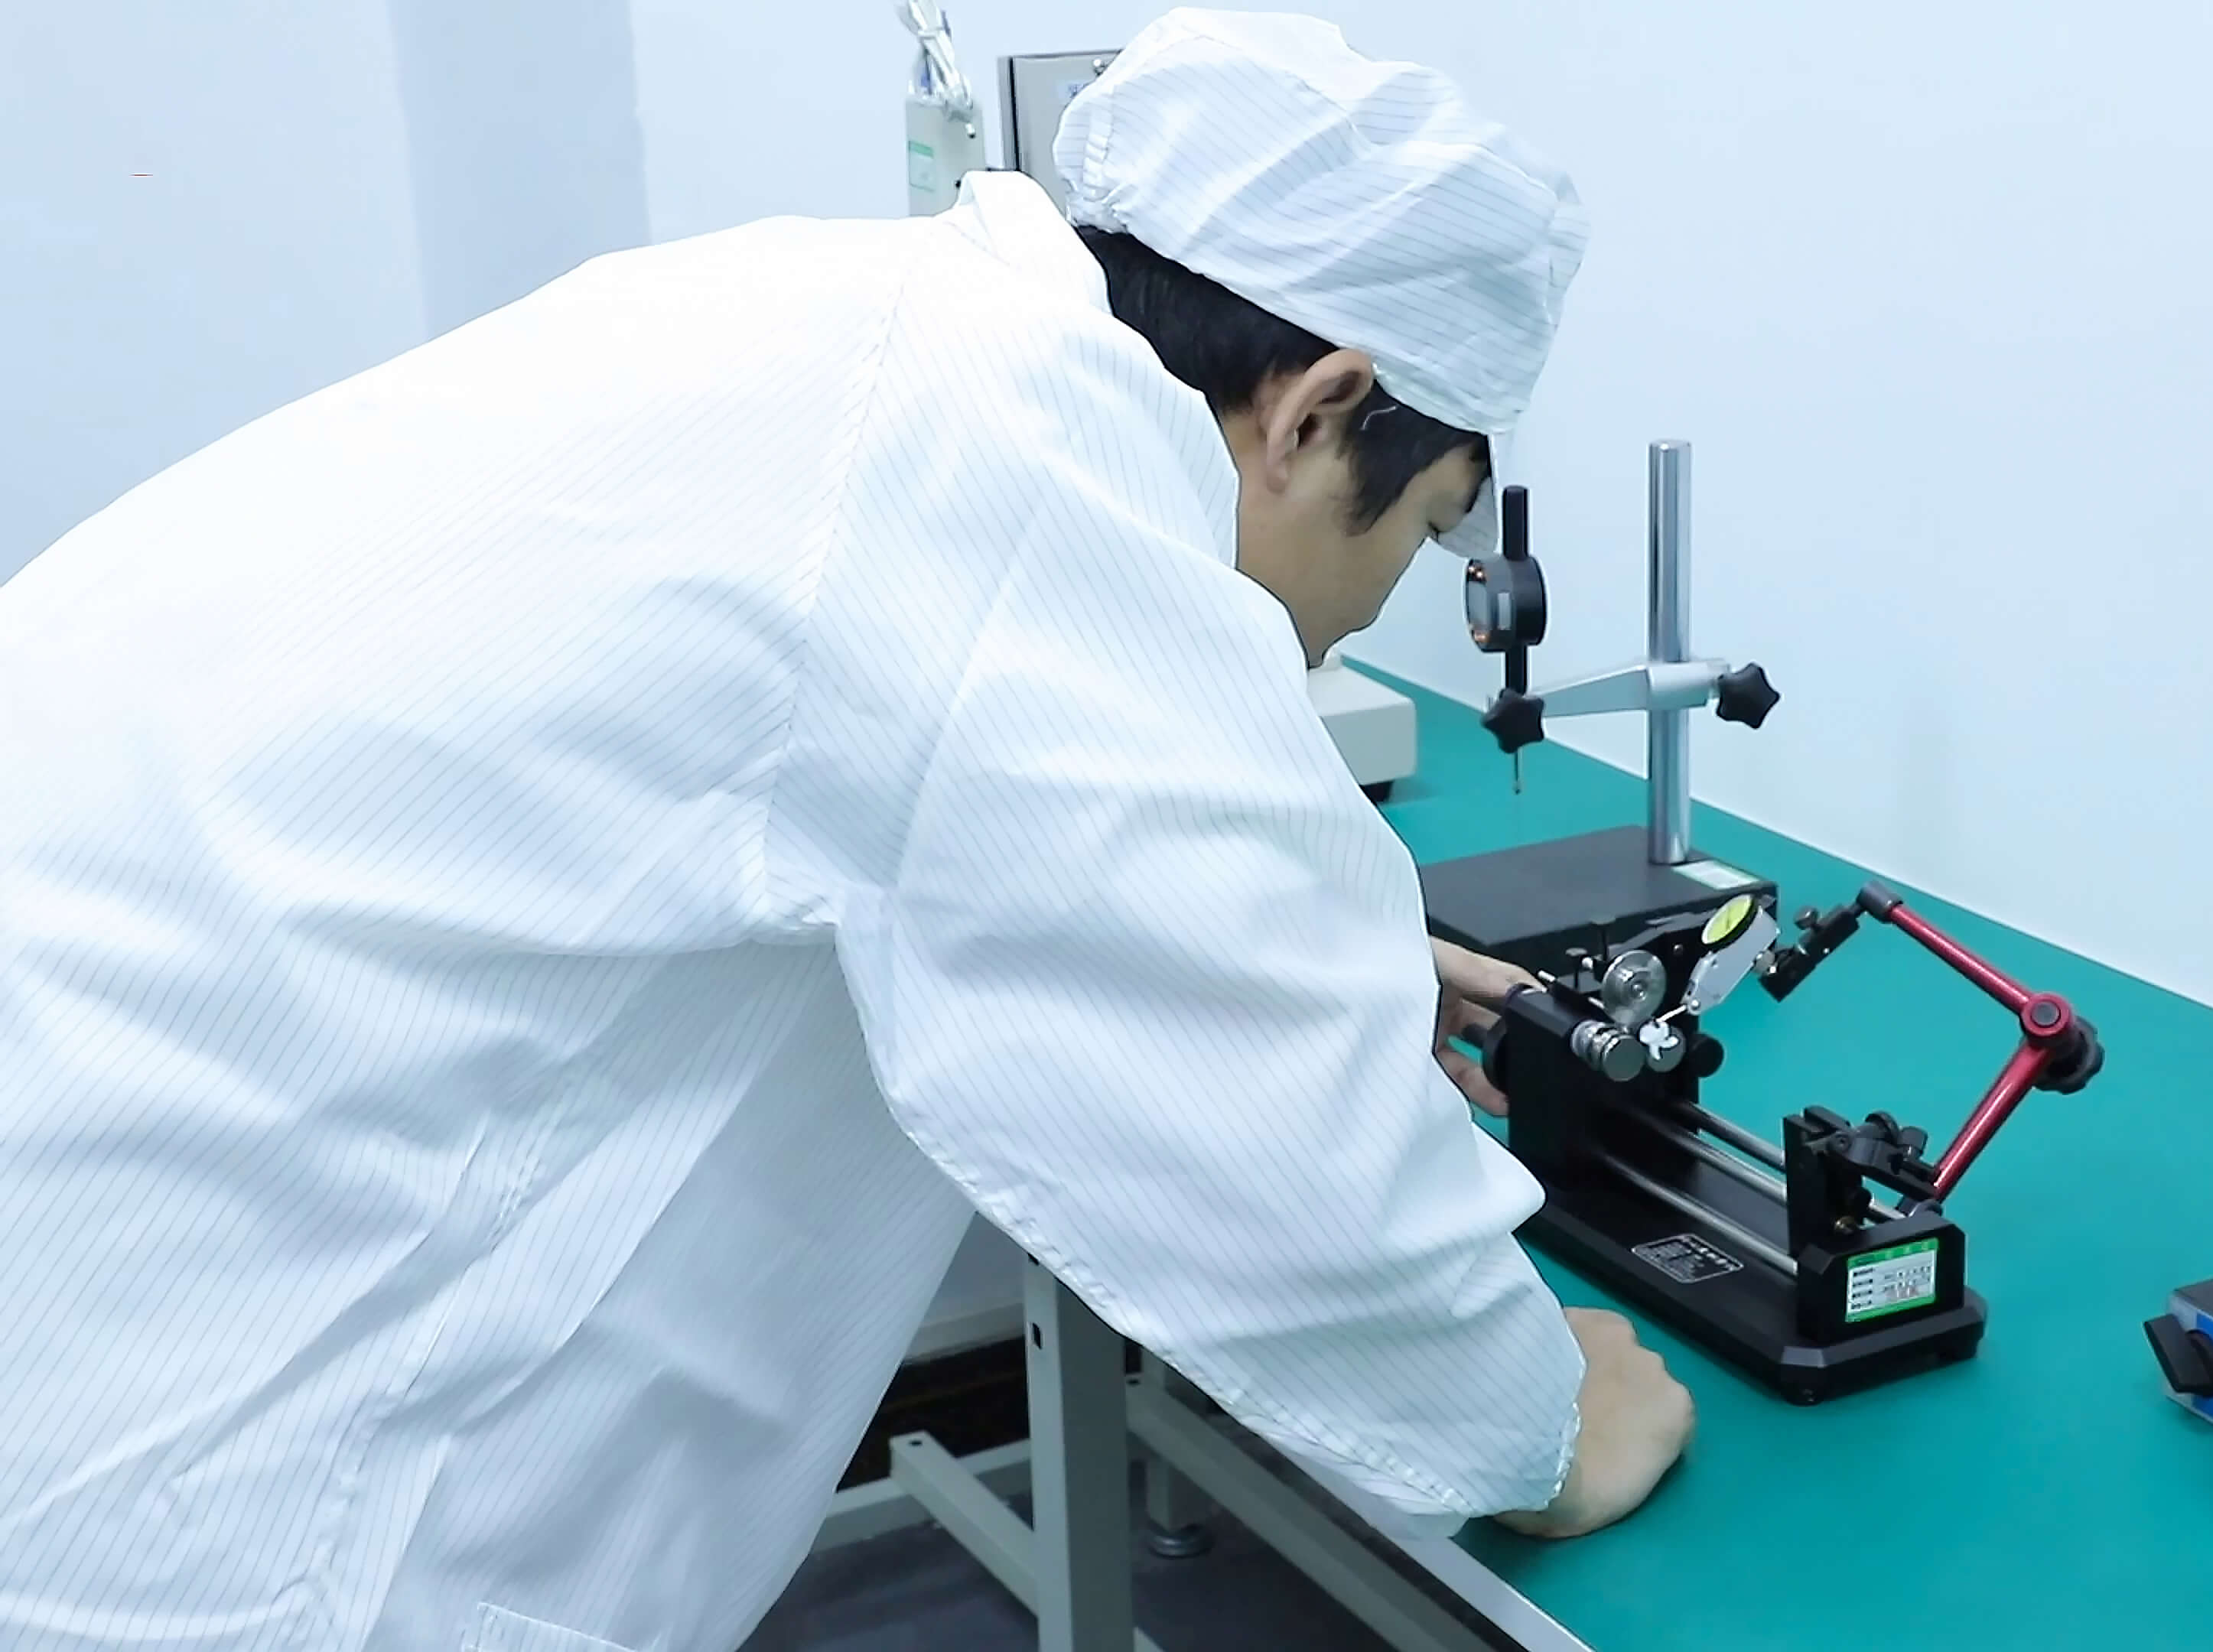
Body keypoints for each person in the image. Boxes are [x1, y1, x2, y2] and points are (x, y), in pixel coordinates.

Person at [0, 10, 1694, 1650]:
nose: (1378, 604)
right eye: (1428, 528)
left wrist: (1308, 940)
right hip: (216, 1516)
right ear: (1318, 409)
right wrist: (1545, 1424)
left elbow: (858, 785)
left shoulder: (847, 322)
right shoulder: (1028, 472)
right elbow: (1300, 1187)